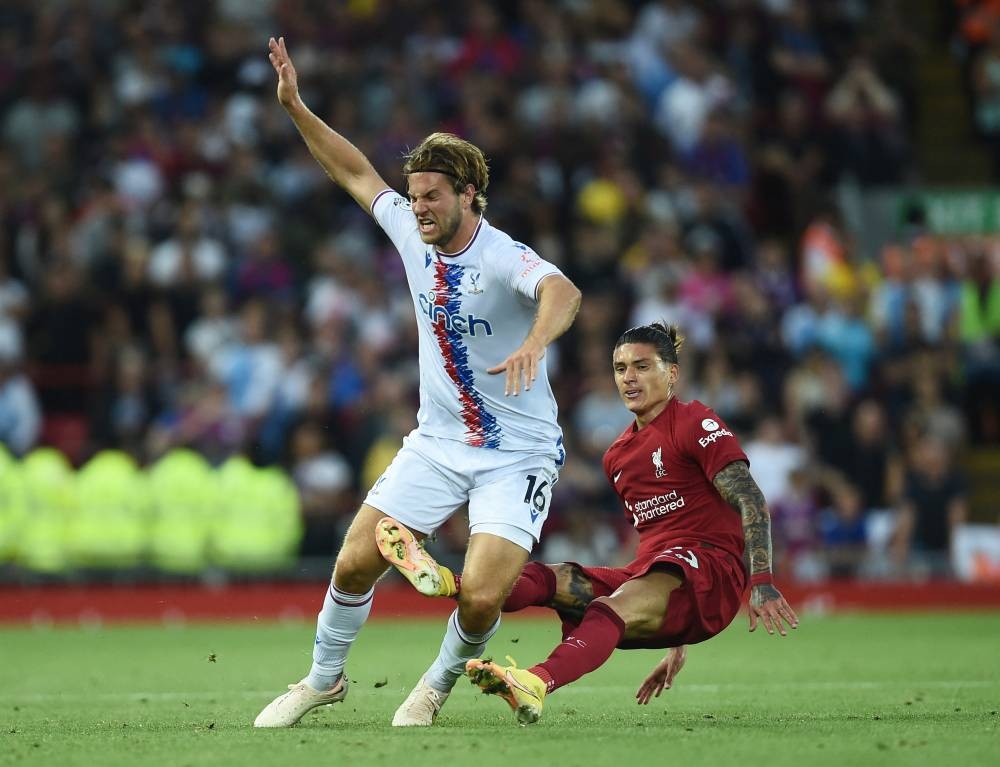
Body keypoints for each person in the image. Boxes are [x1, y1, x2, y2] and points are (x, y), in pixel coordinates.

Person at [253, 38, 582, 728]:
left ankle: (432, 686)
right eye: (414, 196)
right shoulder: (410, 230)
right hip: (438, 439)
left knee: (485, 596)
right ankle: (322, 679)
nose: (419, 207)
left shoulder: (502, 256)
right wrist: (295, 107)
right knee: (351, 561)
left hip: (517, 451)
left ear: (469, 194)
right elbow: (353, 172)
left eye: (433, 196)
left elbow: (563, 290)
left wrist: (534, 339)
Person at [381, 322, 798, 725]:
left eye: (642, 366)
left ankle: (535, 681)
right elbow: (662, 541)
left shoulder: (695, 422)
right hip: (665, 575)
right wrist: (677, 638)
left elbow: (749, 497)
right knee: (554, 578)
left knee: (606, 607)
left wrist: (760, 579)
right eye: (620, 369)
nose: (629, 379)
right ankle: (450, 581)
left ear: (672, 374)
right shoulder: (617, 457)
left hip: (713, 571)